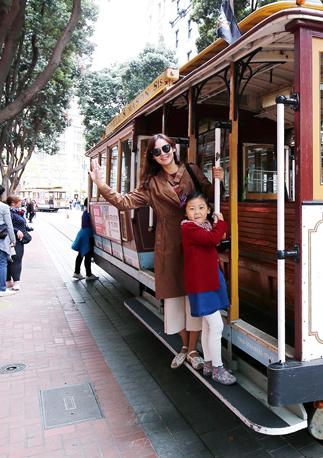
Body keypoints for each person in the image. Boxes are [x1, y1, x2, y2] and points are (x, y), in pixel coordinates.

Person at [88, 133, 224, 370]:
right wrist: (100, 184)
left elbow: (209, 197)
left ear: (173, 148)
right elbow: (123, 202)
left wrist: (220, 181)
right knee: (174, 298)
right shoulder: (151, 184)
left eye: (166, 148)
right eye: (157, 151)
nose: (163, 154)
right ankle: (184, 345)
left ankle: (193, 349)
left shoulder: (191, 171)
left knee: (194, 298)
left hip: (195, 246)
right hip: (170, 246)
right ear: (152, 156)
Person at [180, 192, 235, 385]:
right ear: (186, 213)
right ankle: (218, 369)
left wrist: (216, 225)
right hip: (202, 285)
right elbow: (212, 239)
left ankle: (210, 365)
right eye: (192, 208)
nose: (197, 212)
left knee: (207, 325)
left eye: (201, 208)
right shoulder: (189, 228)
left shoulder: (203, 227)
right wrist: (222, 222)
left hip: (208, 282)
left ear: (208, 210)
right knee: (217, 325)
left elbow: (212, 238)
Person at [5, 195, 31, 291]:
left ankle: (9, 280)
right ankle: (15, 281)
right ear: (12, 203)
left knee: (11, 259)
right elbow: (7, 224)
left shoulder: (16, 212)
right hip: (14, 239)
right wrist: (16, 230)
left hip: (16, 238)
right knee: (16, 259)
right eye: (18, 201)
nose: (21, 202)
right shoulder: (9, 212)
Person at [71, 198, 97, 280]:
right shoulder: (88, 213)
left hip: (83, 234)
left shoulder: (86, 212)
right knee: (87, 255)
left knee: (81, 254)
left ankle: (77, 272)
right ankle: (88, 274)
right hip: (87, 235)